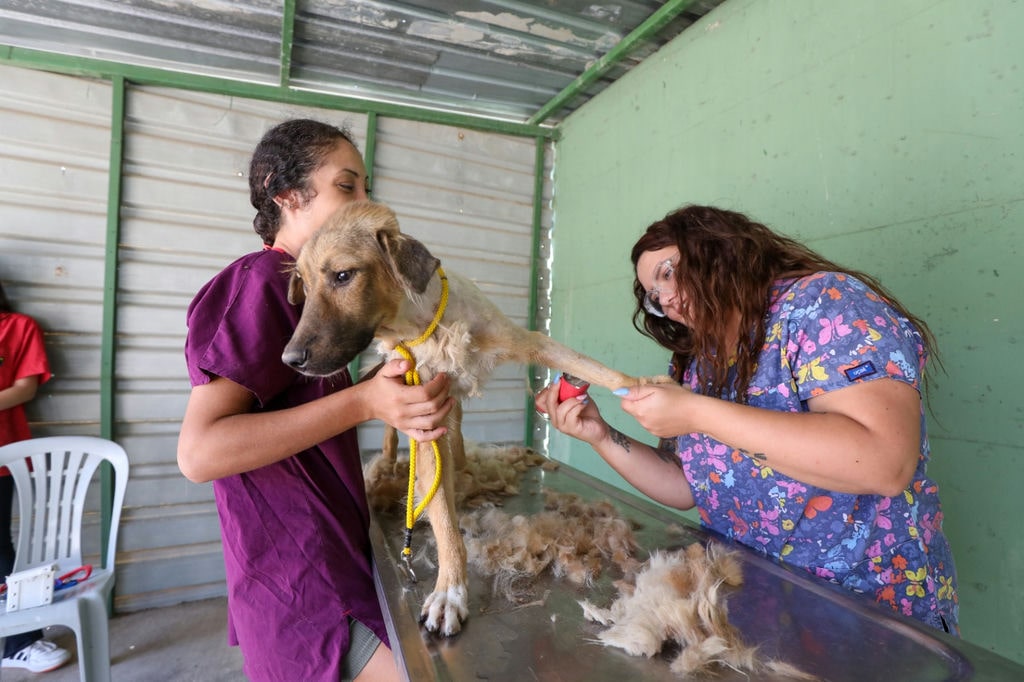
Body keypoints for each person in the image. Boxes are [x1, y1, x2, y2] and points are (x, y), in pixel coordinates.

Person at [536, 204, 959, 634]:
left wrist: (697, 412)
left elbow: (884, 462)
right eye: (652, 293)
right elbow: (688, 486)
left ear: (719, 248)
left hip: (869, 612)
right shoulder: (699, 359)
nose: (662, 298)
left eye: (666, 272)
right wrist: (601, 436)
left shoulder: (826, 303)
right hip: (752, 607)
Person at [176, 118, 453, 682]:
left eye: (368, 187)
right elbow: (199, 453)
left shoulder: (314, 291)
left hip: (325, 560)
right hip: (305, 578)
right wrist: (364, 404)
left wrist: (381, 387)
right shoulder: (264, 281)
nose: (366, 203)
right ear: (287, 196)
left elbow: (292, 407)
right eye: (347, 187)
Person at [0, 282, 72, 673]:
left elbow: (24, 388)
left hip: (2, 456)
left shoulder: (17, 327)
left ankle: (22, 641)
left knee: (1, 548)